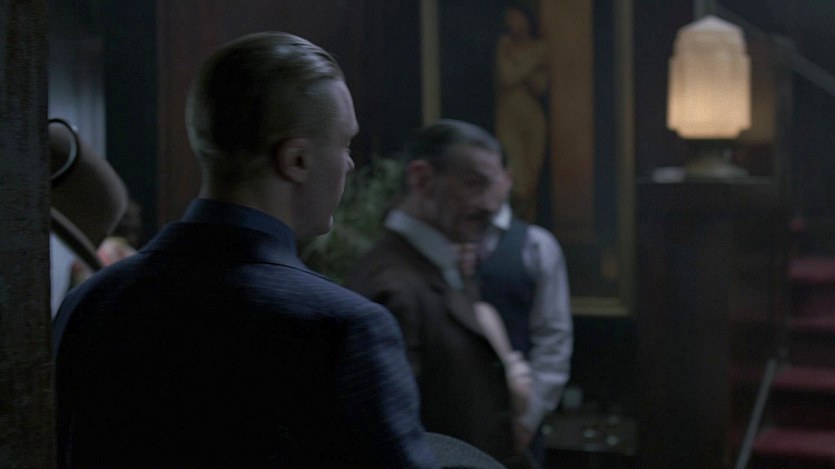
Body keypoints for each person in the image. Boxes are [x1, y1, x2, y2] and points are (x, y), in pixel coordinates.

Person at [53, 32, 441, 468]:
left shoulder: (89, 303)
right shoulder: (343, 329)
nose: (349, 163)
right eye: (345, 144)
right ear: (296, 161)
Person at [345, 119, 527, 467]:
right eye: (474, 183)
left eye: (493, 187)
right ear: (422, 179)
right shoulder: (392, 286)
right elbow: (387, 437)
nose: (491, 206)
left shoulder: (441, 262)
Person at [477, 192, 574, 464]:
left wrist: (528, 419)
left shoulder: (536, 244)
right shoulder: (445, 240)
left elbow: (553, 338)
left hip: (519, 417)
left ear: (505, 179)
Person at [494, 3, 549, 222]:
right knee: (518, 182)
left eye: (516, 17)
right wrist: (527, 67)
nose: (513, 23)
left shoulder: (540, 47)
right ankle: (514, 228)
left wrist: (517, 64)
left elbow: (540, 86)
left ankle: (529, 229)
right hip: (508, 118)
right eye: (509, 18)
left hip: (533, 118)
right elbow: (507, 77)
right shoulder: (503, 46)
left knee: (531, 181)